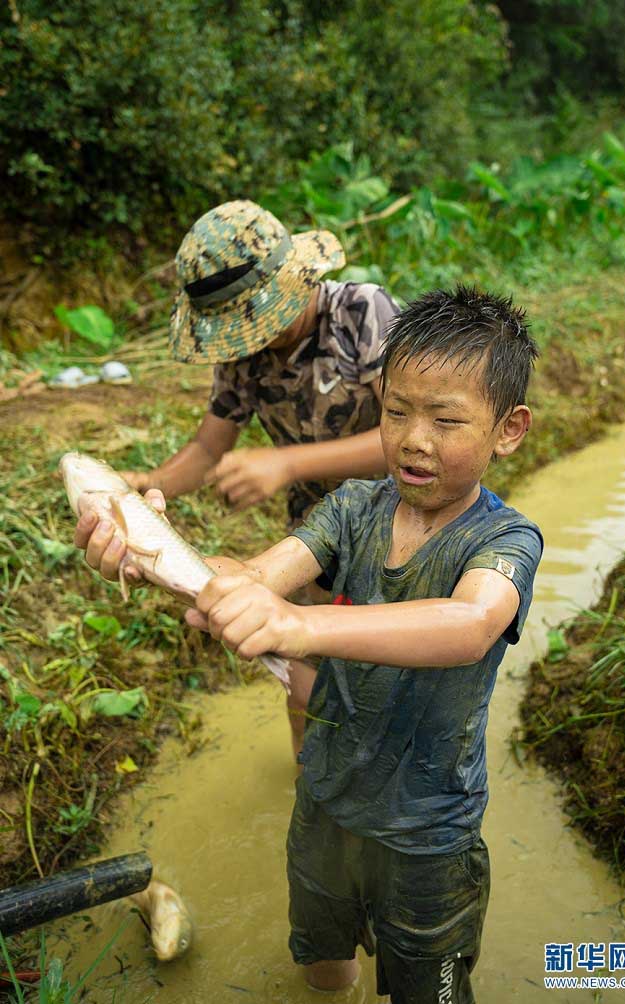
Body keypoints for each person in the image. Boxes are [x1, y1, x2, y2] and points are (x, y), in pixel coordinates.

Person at [74, 285, 543, 1003]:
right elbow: (251, 578)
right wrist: (150, 551)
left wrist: (300, 626)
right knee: (324, 971)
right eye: (396, 412)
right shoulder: (352, 506)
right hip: (324, 803)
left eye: (446, 420)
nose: (414, 439)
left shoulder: (505, 539)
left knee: (431, 992)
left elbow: (469, 623)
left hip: (428, 833)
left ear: (508, 430)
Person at [122, 200, 399, 756]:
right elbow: (208, 448)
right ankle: (308, 794)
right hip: (315, 537)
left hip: (398, 524)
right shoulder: (243, 355)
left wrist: (289, 463)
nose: (251, 337)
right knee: (305, 691)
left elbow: (407, 443)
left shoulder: (361, 314)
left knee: (388, 685)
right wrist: (146, 486)